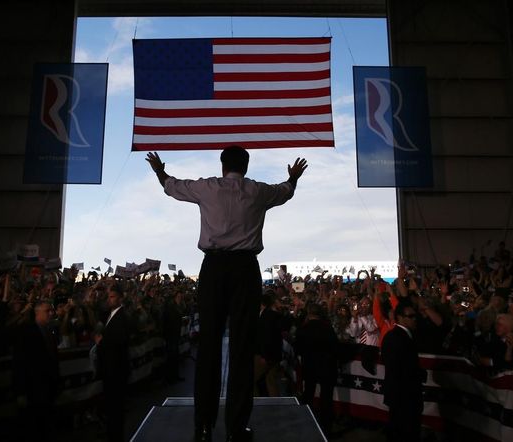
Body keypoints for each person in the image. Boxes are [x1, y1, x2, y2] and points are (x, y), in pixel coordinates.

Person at [146, 146, 307, 442]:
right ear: (246, 167)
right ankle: (235, 428)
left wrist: (159, 170)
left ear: (223, 166)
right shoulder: (258, 192)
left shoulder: (207, 187)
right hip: (246, 270)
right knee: (243, 349)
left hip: (214, 269)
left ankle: (203, 426)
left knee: (208, 346)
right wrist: (294, 177)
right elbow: (285, 191)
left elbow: (171, 186)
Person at [13, 301, 59, 442]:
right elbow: (19, 362)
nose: (51, 313)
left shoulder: (49, 331)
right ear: (37, 313)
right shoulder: (27, 331)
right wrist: (20, 392)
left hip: (47, 387)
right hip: (32, 388)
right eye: (47, 311)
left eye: (51, 310)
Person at [381, 300, 426, 442]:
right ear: (399, 317)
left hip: (399, 395)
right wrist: (419, 374)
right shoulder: (399, 337)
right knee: (405, 432)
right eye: (410, 316)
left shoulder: (395, 336)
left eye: (415, 316)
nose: (414, 319)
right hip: (405, 396)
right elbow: (402, 368)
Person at [295, 303, 338, 438]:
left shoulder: (303, 329)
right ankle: (326, 430)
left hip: (310, 366)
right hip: (327, 366)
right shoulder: (327, 328)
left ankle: (306, 423)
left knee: (308, 394)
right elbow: (334, 347)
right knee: (326, 399)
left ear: (308, 313)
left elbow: (298, 349)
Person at [95, 285, 130, 442]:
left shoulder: (122, 317)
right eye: (108, 297)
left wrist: (101, 342)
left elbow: (119, 342)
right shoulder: (109, 314)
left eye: (112, 297)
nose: (109, 300)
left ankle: (115, 436)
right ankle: (112, 433)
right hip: (110, 369)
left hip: (116, 371)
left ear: (120, 298)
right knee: (111, 408)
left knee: (116, 409)